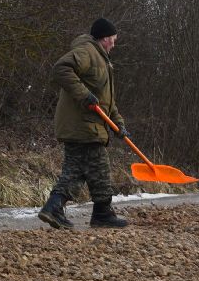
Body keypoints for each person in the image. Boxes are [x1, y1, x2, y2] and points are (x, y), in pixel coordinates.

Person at [37, 18, 130, 230]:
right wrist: (83, 95)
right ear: (105, 39)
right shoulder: (88, 52)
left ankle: (97, 212)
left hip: (90, 126)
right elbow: (61, 68)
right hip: (82, 126)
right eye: (113, 40)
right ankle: (62, 209)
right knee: (88, 169)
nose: (114, 45)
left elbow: (106, 102)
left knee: (88, 170)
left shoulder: (102, 60)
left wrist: (119, 125)